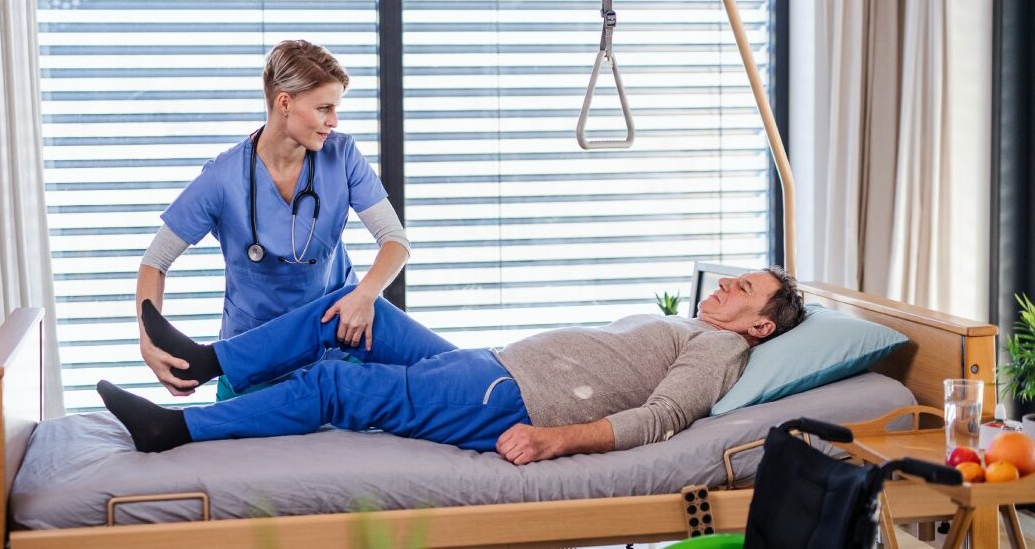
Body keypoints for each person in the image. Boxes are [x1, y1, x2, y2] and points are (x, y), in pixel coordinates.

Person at [101, 267, 804, 464]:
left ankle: (177, 431)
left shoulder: (722, 347)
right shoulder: (696, 325)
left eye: (742, 290)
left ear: (762, 324)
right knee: (358, 309)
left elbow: (662, 418)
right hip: (488, 363)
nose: (723, 286)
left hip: (508, 397)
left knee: (335, 380)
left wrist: (558, 438)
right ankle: (206, 360)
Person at [136, 40, 416, 401]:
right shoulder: (223, 178)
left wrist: (364, 296)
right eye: (324, 108)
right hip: (254, 358)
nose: (334, 121)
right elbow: (155, 262)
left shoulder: (342, 155)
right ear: (285, 102)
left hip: (334, 350)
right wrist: (147, 339)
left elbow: (395, 241)